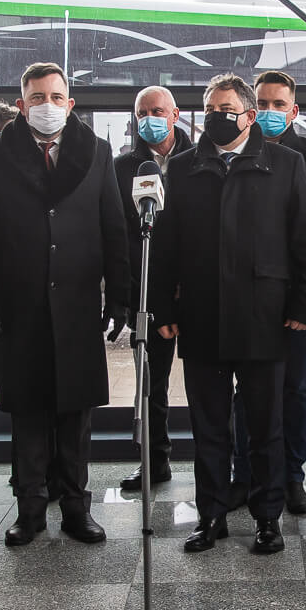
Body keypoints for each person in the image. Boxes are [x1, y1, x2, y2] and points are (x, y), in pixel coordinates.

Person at [151, 74, 306, 555]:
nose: (215, 118)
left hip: (264, 315)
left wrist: (305, 305)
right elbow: (165, 245)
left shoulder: (286, 164)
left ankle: (268, 517)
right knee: (208, 428)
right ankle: (211, 516)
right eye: (209, 109)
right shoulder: (182, 167)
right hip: (201, 314)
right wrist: (163, 306)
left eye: (225, 110)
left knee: (265, 427)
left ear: (249, 116)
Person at [0, 62, 130, 547]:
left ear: (70, 104)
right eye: (37, 98)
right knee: (28, 410)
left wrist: (119, 295)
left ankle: (77, 508)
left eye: (56, 98)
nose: (47, 106)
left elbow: (113, 226)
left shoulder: (96, 151)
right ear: (21, 105)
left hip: (78, 303)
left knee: (76, 413)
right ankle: (31, 510)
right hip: (20, 305)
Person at [227, 70, 306, 516]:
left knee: (295, 388)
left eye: (279, 105)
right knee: (246, 391)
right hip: (246, 297)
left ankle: (292, 476)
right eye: (263, 104)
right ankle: (244, 474)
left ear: (294, 111)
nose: (270, 112)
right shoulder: (232, 153)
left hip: (297, 296)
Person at [114, 85, 191, 491]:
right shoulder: (122, 168)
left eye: (157, 111)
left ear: (175, 114)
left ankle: (223, 465)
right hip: (148, 296)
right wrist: (146, 299)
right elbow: (123, 240)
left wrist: (183, 290)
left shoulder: (201, 161)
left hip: (195, 293)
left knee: (211, 385)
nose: (149, 119)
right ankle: (154, 460)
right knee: (150, 386)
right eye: (142, 113)